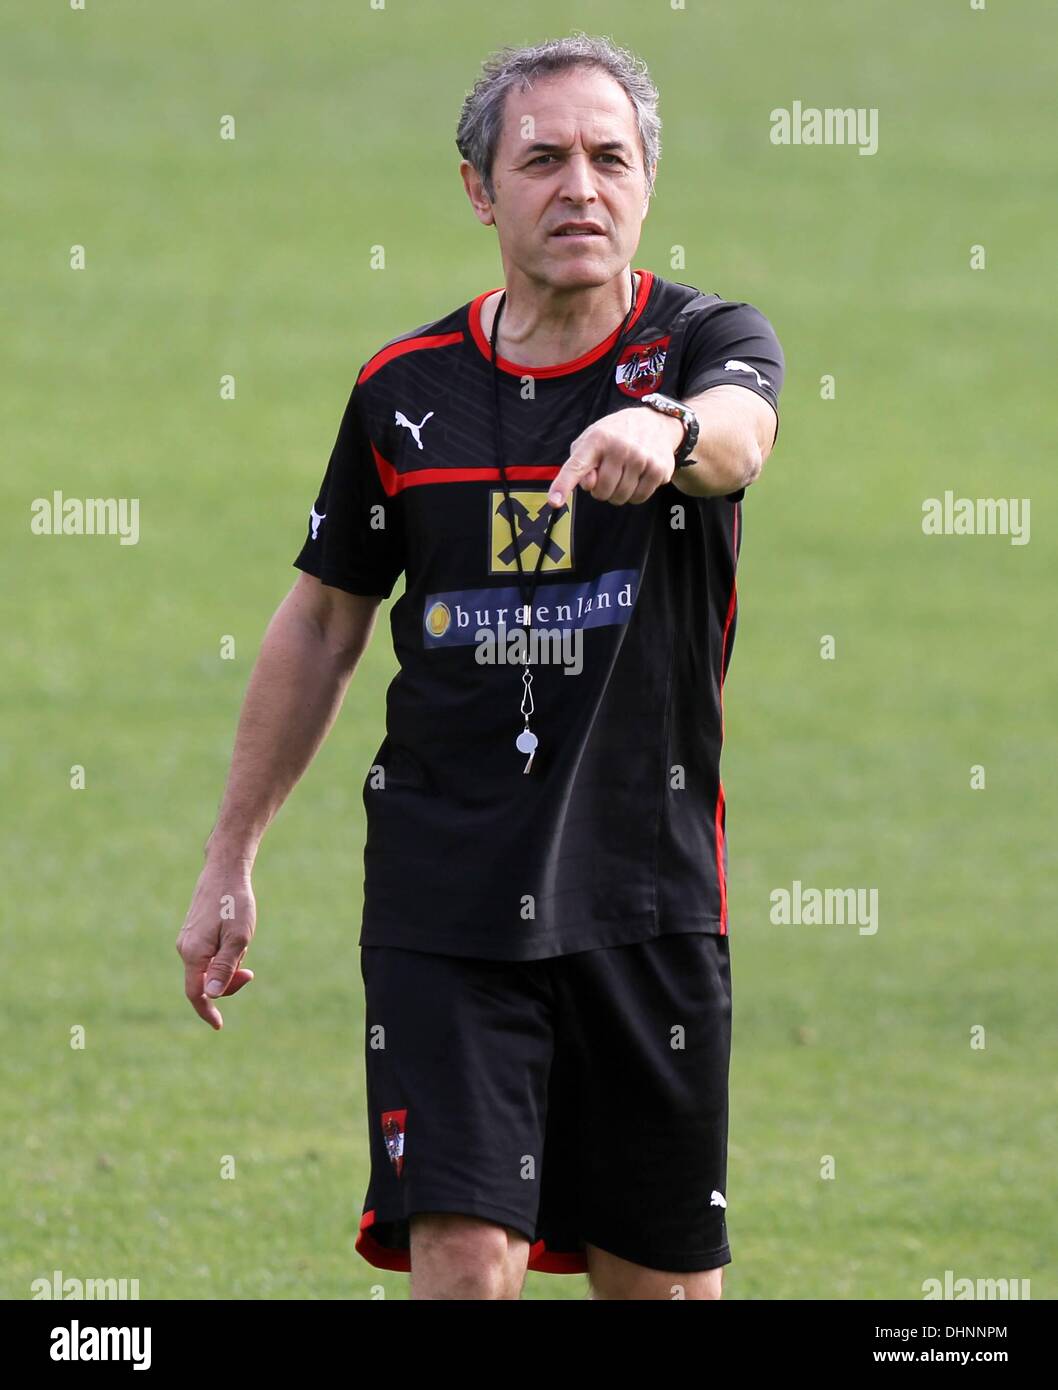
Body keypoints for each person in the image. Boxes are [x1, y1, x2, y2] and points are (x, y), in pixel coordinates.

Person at [177, 34, 785, 1301]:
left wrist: (661, 429)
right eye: (543, 159)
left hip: (643, 897)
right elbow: (323, 623)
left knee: (659, 1287)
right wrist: (231, 855)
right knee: (463, 1265)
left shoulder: (701, 346)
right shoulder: (402, 392)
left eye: (609, 158)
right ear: (478, 188)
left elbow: (740, 437)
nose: (581, 188)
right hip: (442, 897)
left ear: (647, 181)